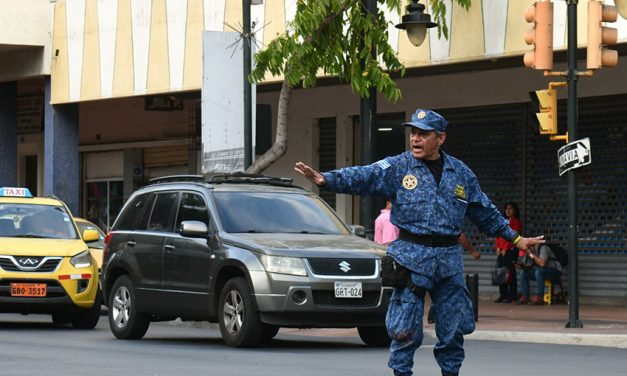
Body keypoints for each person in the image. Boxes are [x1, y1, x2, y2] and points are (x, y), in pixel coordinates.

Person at [294, 109, 544, 376]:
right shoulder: (399, 166)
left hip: (448, 261)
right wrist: (327, 179)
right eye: (413, 133)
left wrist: (516, 239)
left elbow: (485, 212)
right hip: (411, 259)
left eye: (423, 134)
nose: (415, 138)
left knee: (453, 329)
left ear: (440, 138)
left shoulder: (460, 173)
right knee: (405, 330)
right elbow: (365, 175)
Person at [494, 202, 522, 303]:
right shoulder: (502, 221)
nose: (508, 211)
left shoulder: (516, 222)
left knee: (510, 273)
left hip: (510, 251)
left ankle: (512, 295)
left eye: (510, 208)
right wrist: (497, 247)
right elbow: (498, 235)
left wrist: (505, 248)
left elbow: (513, 236)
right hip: (501, 251)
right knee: (501, 273)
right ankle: (503, 294)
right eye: (506, 208)